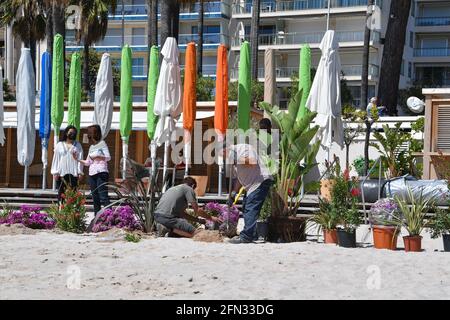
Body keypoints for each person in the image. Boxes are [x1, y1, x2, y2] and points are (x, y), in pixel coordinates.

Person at [222, 142, 274, 244]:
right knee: (246, 207)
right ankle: (252, 235)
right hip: (250, 185)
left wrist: (236, 158)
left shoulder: (244, 148)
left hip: (260, 181)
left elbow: (252, 162)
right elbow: (239, 179)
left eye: (224, 155)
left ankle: (246, 237)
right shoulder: (233, 160)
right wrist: (233, 194)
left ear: (226, 149)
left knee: (251, 208)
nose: (225, 158)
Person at [154, 177, 222, 238]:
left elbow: (182, 214)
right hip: (169, 217)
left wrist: (198, 220)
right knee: (196, 232)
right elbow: (197, 210)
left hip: (157, 216)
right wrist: (211, 218)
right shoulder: (189, 189)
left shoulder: (173, 188)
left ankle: (166, 230)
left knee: (185, 233)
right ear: (193, 186)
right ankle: (167, 229)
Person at [76, 125, 111, 215]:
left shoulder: (102, 144)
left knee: (103, 196)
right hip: (92, 173)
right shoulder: (91, 147)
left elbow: (108, 157)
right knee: (95, 197)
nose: (88, 134)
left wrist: (98, 156)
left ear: (95, 133)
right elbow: (88, 162)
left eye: (90, 132)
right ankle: (97, 217)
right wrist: (77, 159)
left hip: (101, 172)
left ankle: (111, 216)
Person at [51, 125, 84, 203]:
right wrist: (55, 172)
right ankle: (61, 212)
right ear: (66, 133)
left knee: (73, 195)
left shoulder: (78, 145)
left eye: (74, 133)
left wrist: (80, 172)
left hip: (73, 173)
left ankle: (72, 213)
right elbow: (56, 159)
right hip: (61, 173)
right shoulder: (59, 145)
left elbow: (80, 159)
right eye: (70, 132)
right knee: (61, 194)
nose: (72, 134)